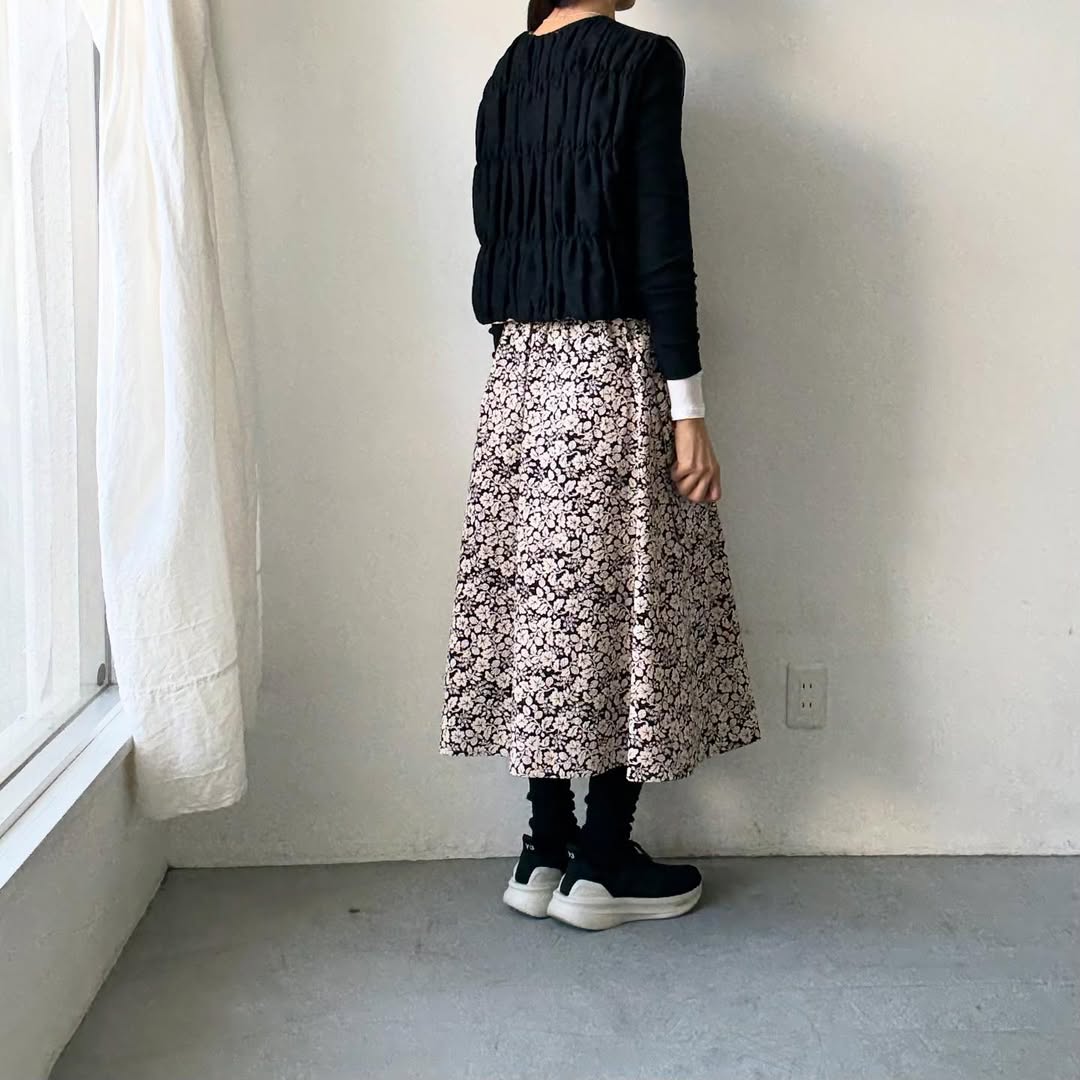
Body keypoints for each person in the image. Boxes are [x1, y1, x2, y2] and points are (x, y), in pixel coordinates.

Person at [440, 0, 761, 931]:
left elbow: (494, 236)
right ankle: (604, 861)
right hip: (613, 368)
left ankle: (543, 848)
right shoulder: (643, 60)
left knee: (542, 610)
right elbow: (662, 245)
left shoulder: (507, 73)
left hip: (518, 376)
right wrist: (688, 409)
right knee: (627, 605)